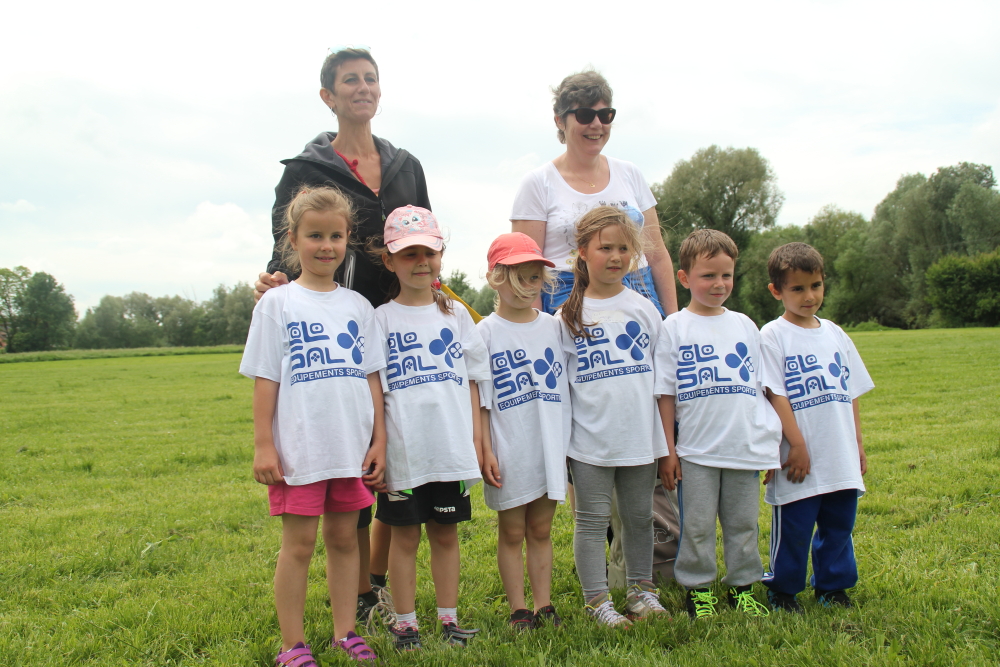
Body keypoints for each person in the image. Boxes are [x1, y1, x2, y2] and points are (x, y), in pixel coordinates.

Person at [253, 47, 430, 622]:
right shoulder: (305, 170)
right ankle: (356, 596)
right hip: (339, 327)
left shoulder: (406, 166)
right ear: (328, 96)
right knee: (350, 457)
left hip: (399, 325)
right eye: (350, 80)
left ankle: (374, 581)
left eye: (371, 78)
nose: (363, 87)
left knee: (394, 457)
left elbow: (424, 241)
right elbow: (285, 248)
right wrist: (274, 282)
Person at [239, 187, 387, 664]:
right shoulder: (277, 303)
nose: (326, 246)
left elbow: (372, 378)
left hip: (348, 448)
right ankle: (292, 645)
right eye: (315, 235)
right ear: (293, 239)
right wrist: (264, 445)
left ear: (348, 239)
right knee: (299, 545)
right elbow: (266, 378)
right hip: (300, 451)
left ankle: (346, 633)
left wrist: (379, 441)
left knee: (344, 540)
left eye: (336, 236)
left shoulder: (359, 307)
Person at [371, 206, 490, 650]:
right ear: (389, 261)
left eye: (429, 253)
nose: (421, 262)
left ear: (441, 256)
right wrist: (379, 443)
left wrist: (476, 438)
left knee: (445, 534)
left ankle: (448, 620)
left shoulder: (456, 315)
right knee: (404, 538)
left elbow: (475, 381)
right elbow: (375, 387)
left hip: (450, 451)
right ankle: (406, 625)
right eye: (409, 254)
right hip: (405, 453)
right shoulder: (381, 319)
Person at [654, 229, 781, 620]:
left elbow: (763, 391)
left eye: (726, 275)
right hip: (696, 452)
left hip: (743, 448)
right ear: (684, 278)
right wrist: (669, 452)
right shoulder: (674, 326)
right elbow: (665, 394)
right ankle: (698, 590)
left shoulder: (745, 325)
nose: (719, 284)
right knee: (696, 526)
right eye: (708, 275)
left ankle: (743, 587)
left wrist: (769, 448)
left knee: (744, 524)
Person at [558, 206, 670, 627]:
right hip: (589, 442)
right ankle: (597, 601)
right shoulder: (566, 317)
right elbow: (562, 389)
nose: (616, 256)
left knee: (639, 519)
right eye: (605, 248)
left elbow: (662, 381)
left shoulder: (644, 309)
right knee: (590, 522)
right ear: (583, 251)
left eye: (624, 248)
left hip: (640, 438)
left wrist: (665, 442)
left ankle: (642, 593)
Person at [759, 242, 874, 612]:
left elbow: (850, 390)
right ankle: (782, 590)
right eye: (798, 288)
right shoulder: (772, 335)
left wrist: (857, 443)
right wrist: (796, 444)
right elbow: (775, 394)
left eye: (816, 286)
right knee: (794, 527)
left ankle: (832, 587)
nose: (809, 296)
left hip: (838, 452)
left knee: (839, 525)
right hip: (798, 456)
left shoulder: (835, 333)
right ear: (776, 290)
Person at [510, 70, 678, 318]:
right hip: (570, 294)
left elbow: (657, 255)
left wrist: (672, 321)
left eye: (605, 115)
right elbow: (526, 266)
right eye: (585, 115)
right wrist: (535, 327)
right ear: (559, 121)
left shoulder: (630, 173)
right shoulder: (537, 183)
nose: (597, 124)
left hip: (638, 289)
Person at [477, 233, 569, 630]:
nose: (527, 287)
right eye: (518, 278)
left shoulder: (554, 327)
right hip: (509, 447)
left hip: (549, 445)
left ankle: (544, 604)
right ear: (495, 278)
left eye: (534, 278)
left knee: (541, 529)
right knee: (513, 531)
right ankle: (519, 610)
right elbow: (481, 402)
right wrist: (485, 449)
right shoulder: (485, 333)